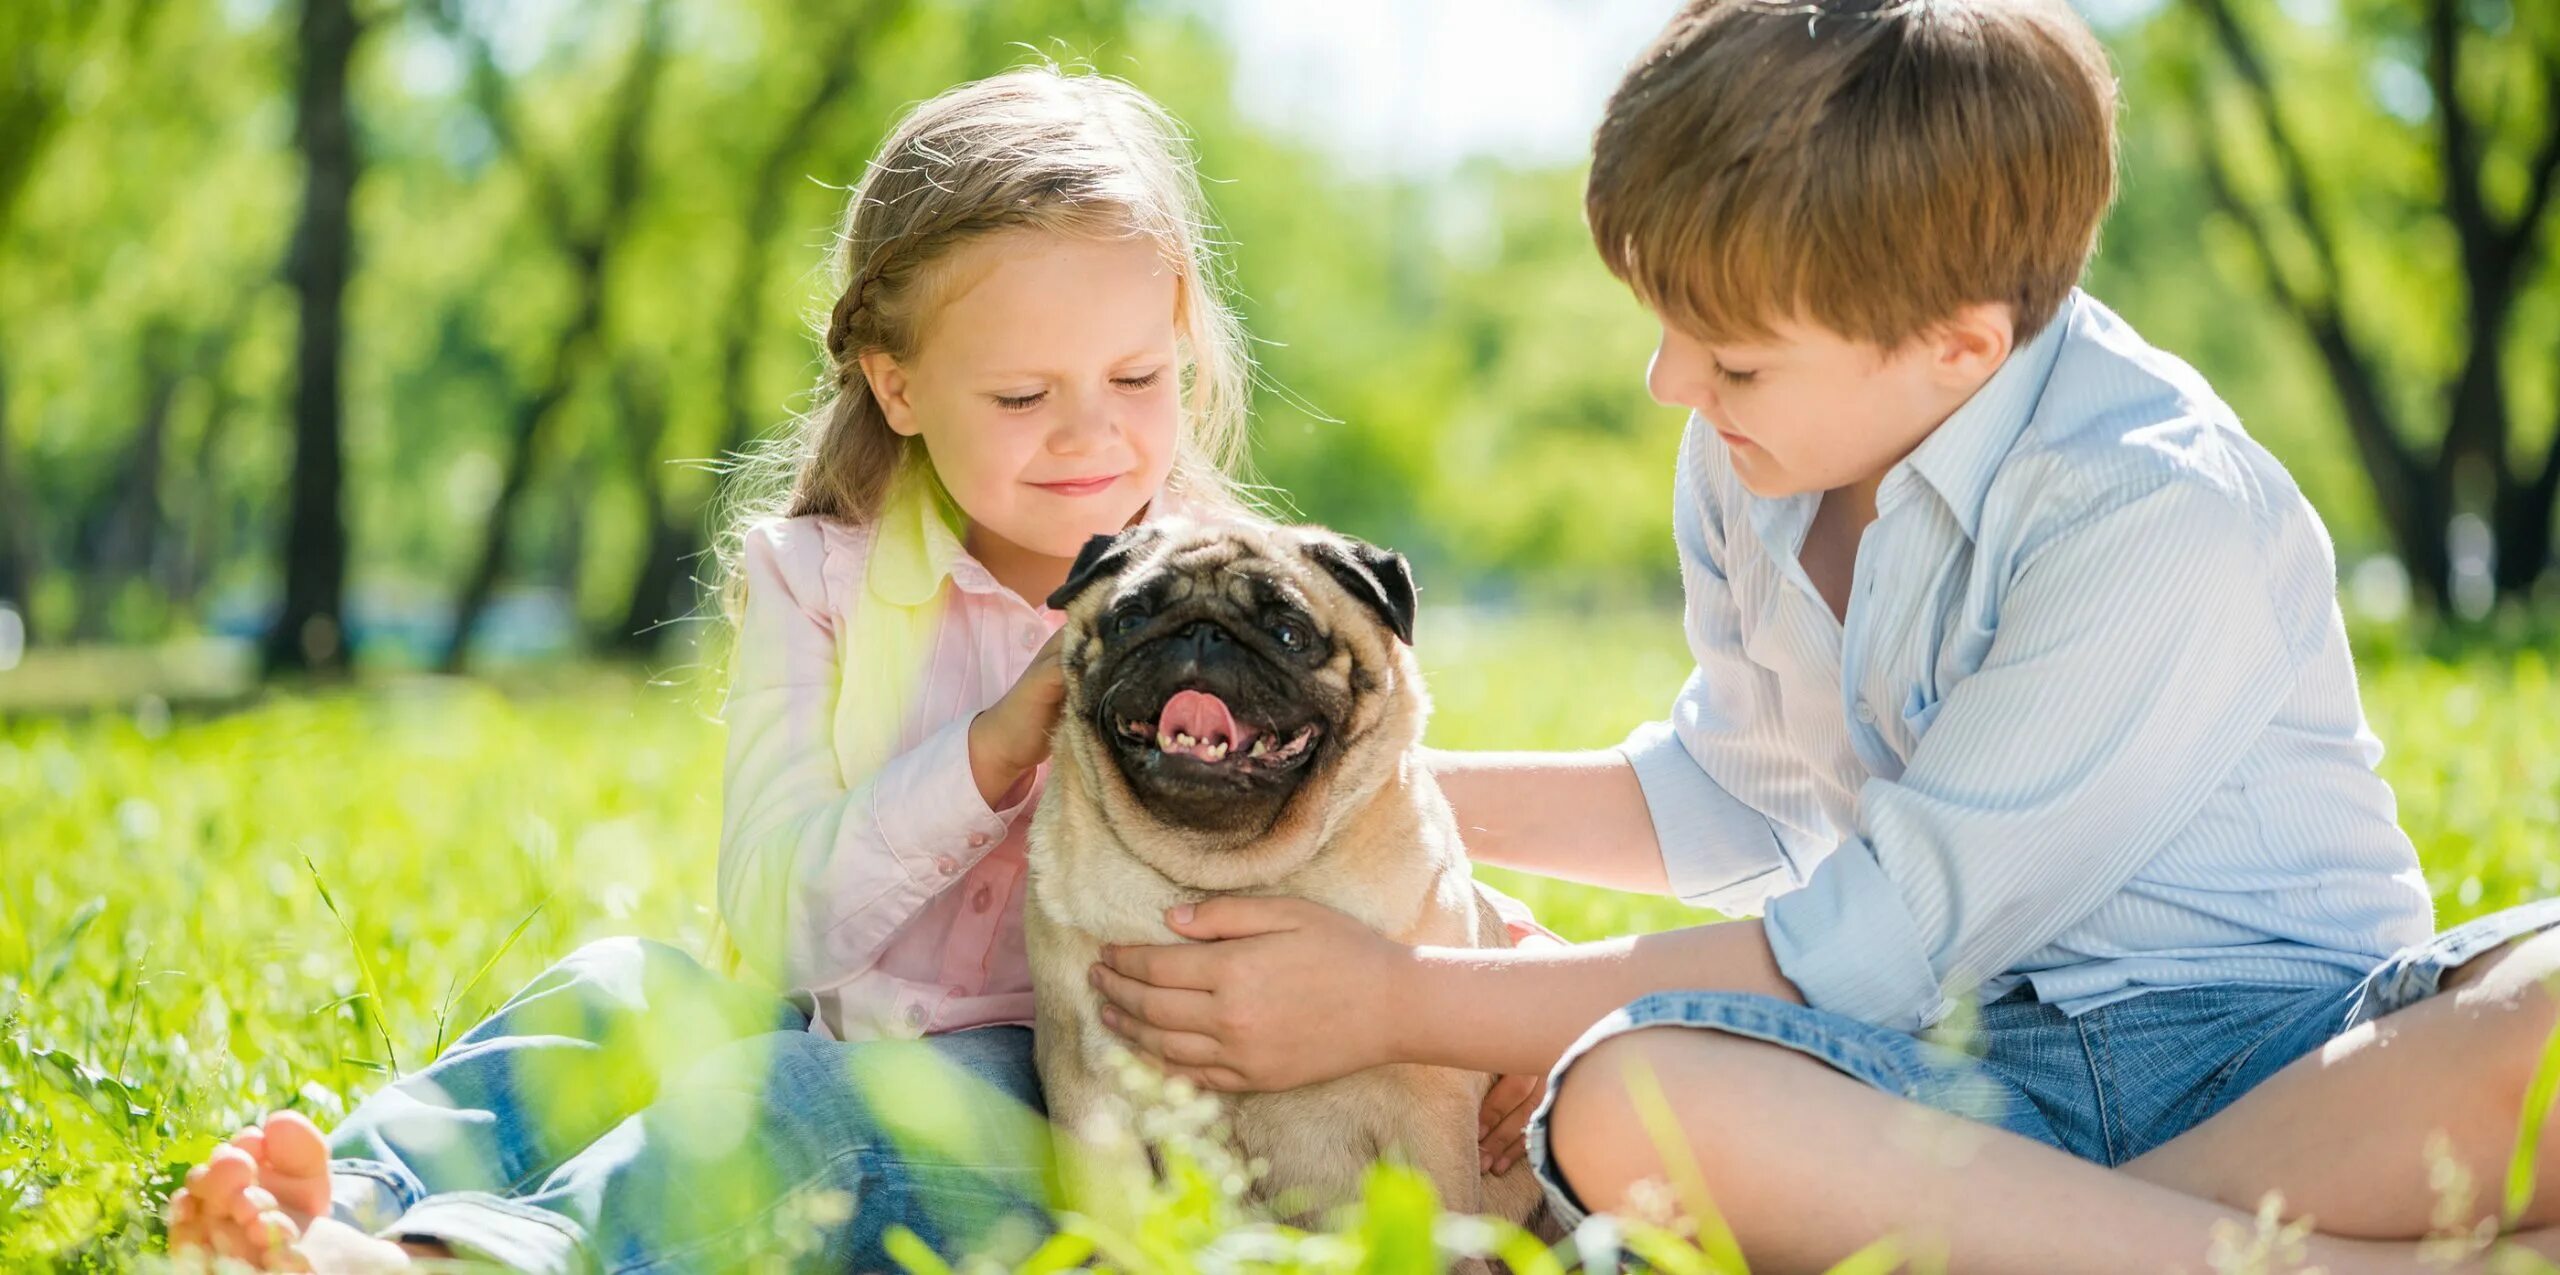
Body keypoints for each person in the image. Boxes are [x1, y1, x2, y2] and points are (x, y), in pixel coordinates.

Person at [1083, 3, 2560, 1270]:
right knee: (1626, 1092)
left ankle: (2054, 1242)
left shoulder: (2154, 508)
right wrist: (1344, 782)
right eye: (1665, 325)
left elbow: (1867, 943)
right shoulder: (1758, 454)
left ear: (1961, 345)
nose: (1671, 382)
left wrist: (1403, 1001)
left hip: (2283, 1062)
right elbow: (1740, 793)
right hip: (1972, 1083)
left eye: (1732, 354)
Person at [166, 64, 1269, 1273]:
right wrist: (991, 749)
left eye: (1136, 378)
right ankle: (342, 1200)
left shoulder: (1236, 620)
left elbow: (1358, 843)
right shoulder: (818, 581)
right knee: (623, 987)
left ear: (1185, 354)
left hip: (1062, 1124)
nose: (1090, 432)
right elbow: (778, 927)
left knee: (793, 1092)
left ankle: (484, 1261)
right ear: (897, 387)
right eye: (1021, 393)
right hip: (823, 1021)